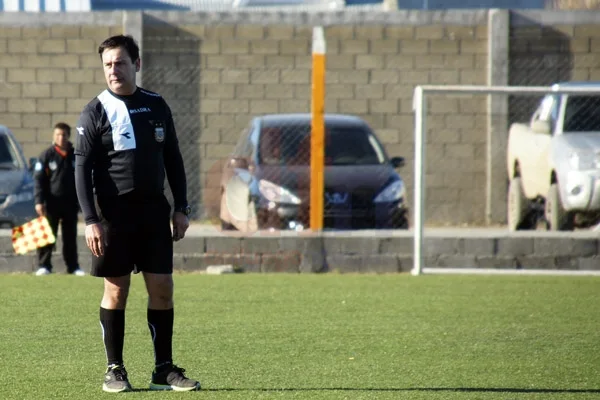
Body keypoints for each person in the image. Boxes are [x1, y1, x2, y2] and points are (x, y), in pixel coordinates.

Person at [74, 34, 199, 393]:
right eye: (108, 65)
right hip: (112, 217)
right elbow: (81, 171)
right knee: (116, 290)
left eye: (121, 62)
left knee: (162, 288)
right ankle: (115, 369)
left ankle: (163, 369)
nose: (114, 70)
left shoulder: (157, 105)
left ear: (137, 64)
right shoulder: (94, 111)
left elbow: (173, 158)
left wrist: (181, 207)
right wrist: (91, 220)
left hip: (154, 213)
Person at [33, 122, 85, 277]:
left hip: (70, 203)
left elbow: (83, 179)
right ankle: (44, 265)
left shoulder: (76, 155)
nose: (60, 138)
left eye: (63, 135)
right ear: (54, 136)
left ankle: (73, 266)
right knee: (47, 235)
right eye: (57, 135)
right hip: (51, 203)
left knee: (70, 237)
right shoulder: (46, 155)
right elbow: (38, 180)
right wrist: (39, 201)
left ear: (68, 136)